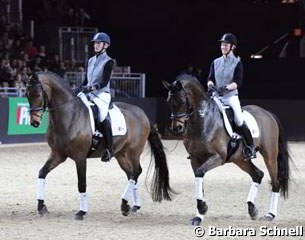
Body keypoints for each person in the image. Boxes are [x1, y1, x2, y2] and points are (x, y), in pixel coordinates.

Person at [206, 33, 256, 160]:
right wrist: (211, 85)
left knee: (239, 119)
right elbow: (210, 78)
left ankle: (250, 147)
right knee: (205, 114)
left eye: (226, 45)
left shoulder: (237, 63)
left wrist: (226, 88)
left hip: (230, 96)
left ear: (232, 47)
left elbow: (238, 82)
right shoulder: (215, 62)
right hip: (216, 95)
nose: (223, 46)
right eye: (222, 44)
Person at [76, 32, 115, 162]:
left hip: (102, 94)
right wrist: (78, 89)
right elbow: (87, 80)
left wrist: (92, 88)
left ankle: (109, 149)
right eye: (95, 43)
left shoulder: (109, 61)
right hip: (89, 92)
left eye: (98, 43)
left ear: (105, 45)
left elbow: (104, 82)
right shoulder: (91, 60)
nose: (96, 45)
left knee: (102, 115)